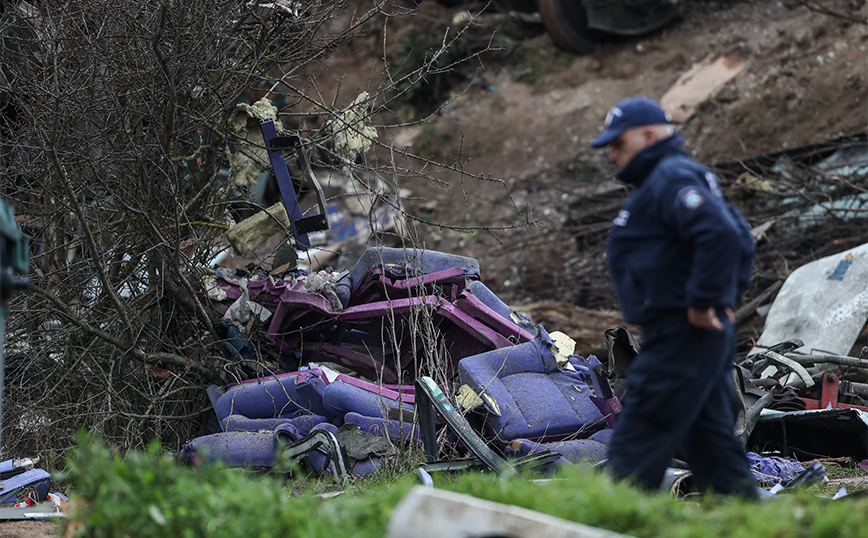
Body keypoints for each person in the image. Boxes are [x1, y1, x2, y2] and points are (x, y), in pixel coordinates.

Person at [590, 96, 758, 498]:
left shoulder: (671, 176)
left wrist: (705, 304)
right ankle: (748, 515)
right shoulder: (671, 177)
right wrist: (721, 300)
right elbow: (740, 236)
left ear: (649, 135)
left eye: (619, 144)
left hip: (683, 331)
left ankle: (611, 515)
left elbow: (721, 235)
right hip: (688, 330)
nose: (612, 154)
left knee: (641, 429)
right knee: (711, 443)